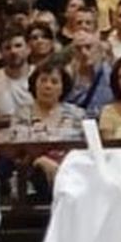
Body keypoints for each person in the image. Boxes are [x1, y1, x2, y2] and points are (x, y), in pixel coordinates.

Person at [19, 61, 87, 195]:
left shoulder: (77, 114)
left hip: (72, 174)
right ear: (34, 84)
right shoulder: (23, 113)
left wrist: (63, 167)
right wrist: (40, 160)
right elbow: (19, 147)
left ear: (63, 88)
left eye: (54, 82)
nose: (48, 86)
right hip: (32, 177)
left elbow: (85, 150)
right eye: (43, 81)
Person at [0, 30, 34, 132]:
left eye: (18, 46)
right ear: (0, 52)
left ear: (28, 49)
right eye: (7, 48)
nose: (13, 51)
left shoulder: (42, 78)